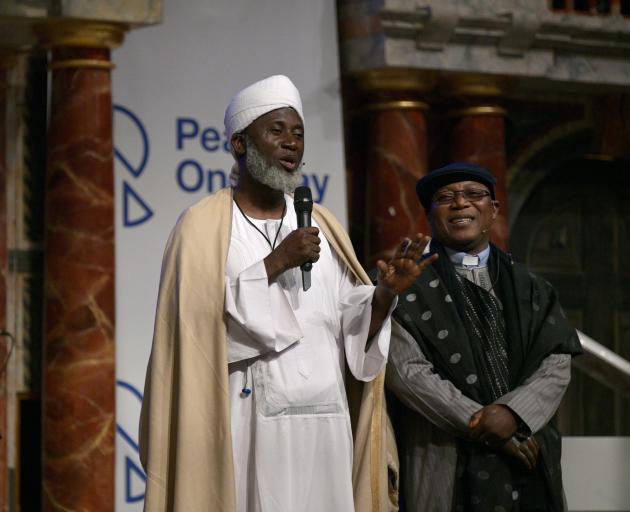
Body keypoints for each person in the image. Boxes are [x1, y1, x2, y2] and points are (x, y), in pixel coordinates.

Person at [139, 75, 435, 512]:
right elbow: (197, 335)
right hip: (249, 427)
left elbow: (349, 328)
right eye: (276, 131)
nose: (291, 144)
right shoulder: (201, 226)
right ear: (240, 144)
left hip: (326, 424)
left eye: (297, 133)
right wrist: (276, 262)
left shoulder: (322, 223)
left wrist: (384, 295)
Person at [385, 162, 582, 512]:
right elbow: (405, 371)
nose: (461, 203)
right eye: (445, 197)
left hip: (527, 449)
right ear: (429, 216)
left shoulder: (532, 287)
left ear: (493, 212)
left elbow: (556, 361)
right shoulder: (402, 284)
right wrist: (484, 423)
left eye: (474, 194)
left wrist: (512, 414)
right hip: (444, 453)